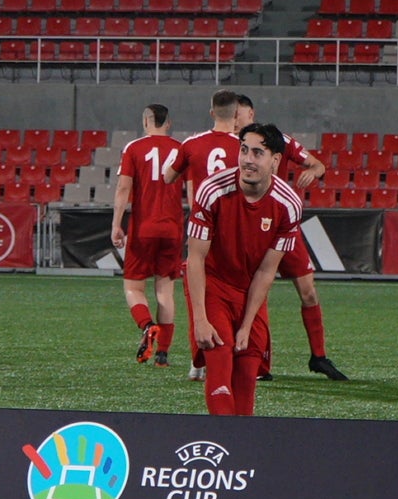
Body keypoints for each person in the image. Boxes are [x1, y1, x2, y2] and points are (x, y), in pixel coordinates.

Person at [185, 123, 304, 417]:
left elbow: (266, 272)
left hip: (250, 291)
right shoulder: (211, 191)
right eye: (244, 150)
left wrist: (248, 323)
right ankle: (227, 450)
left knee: (247, 375)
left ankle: (242, 456)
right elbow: (195, 259)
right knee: (221, 363)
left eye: (258, 153)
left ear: (275, 160)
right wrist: (200, 318)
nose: (248, 159)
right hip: (212, 285)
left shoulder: (289, 205)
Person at [233, 94, 348, 381]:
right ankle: (259, 364)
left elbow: (319, 164)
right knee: (257, 294)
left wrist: (313, 170)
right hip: (250, 229)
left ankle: (319, 356)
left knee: (308, 291)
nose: (237, 120)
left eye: (241, 114)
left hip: (284, 226)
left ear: (251, 113)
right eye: (233, 115)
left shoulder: (280, 142)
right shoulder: (235, 148)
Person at [170, 89, 247, 380]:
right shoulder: (244, 145)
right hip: (237, 227)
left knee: (198, 293)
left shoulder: (192, 144)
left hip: (201, 224)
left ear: (212, 112)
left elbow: (168, 175)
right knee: (239, 291)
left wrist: (190, 169)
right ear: (236, 113)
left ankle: (198, 361)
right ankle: (241, 355)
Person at [111, 103, 184, 366]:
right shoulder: (180, 149)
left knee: (133, 287)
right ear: (169, 122)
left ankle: (147, 326)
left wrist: (116, 224)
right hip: (173, 228)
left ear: (145, 122)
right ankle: (163, 354)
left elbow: (123, 188)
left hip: (144, 228)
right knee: (165, 290)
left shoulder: (133, 148)